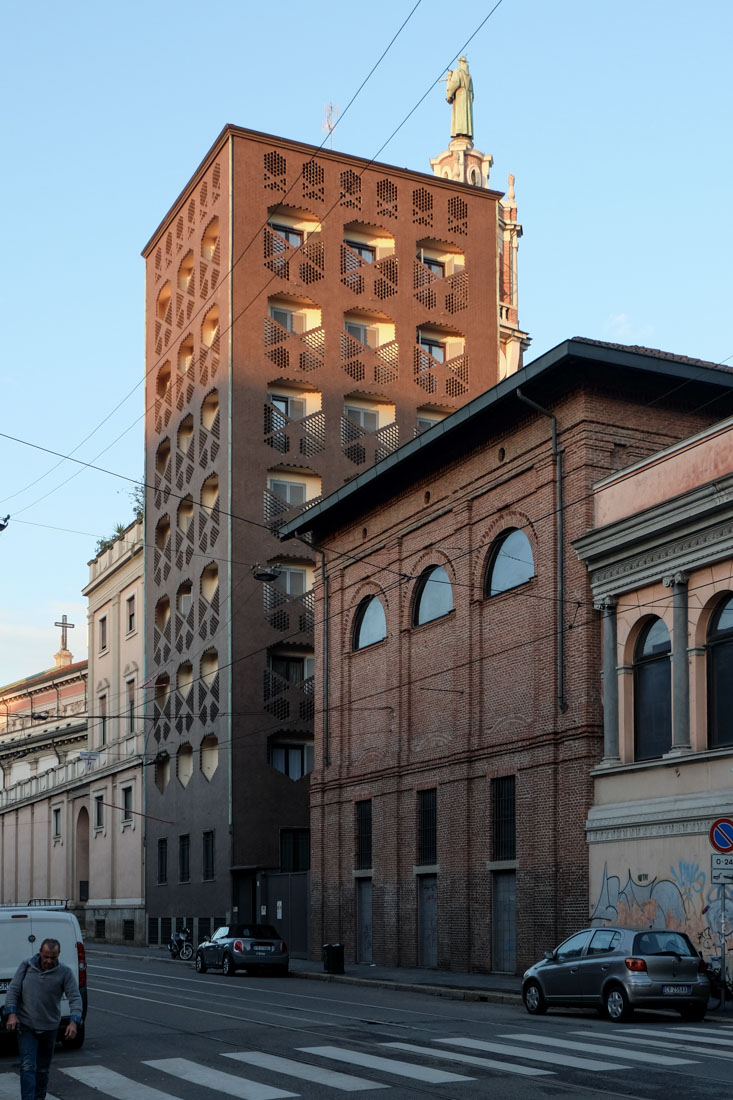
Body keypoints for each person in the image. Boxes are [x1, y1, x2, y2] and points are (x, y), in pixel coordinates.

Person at [3, 938, 83, 1100]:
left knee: (43, 1069)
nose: (48, 961)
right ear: (40, 952)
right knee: (27, 1066)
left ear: (58, 955)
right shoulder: (26, 966)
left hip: (50, 1027)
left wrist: (74, 1022)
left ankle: (39, 1098)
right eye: (46, 956)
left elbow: (75, 997)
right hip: (27, 1025)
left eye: (53, 957)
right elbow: (13, 991)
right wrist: (11, 1014)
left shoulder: (64, 972)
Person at [446, 56, 474, 140]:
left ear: (459, 62)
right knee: (465, 115)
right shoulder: (469, 76)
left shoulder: (457, 71)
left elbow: (455, 83)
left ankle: (460, 131)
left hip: (459, 96)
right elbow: (472, 94)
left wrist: (449, 94)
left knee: (460, 115)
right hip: (467, 98)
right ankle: (467, 131)